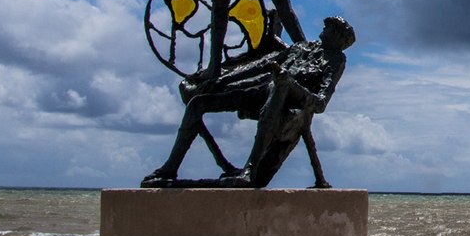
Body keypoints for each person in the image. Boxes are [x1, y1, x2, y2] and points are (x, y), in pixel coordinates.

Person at [142, 16, 356, 188]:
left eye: (331, 27)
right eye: (328, 25)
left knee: (276, 88)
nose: (324, 28)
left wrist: (290, 85)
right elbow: (260, 66)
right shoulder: (301, 48)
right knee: (198, 103)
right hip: (260, 91)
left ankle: (249, 170)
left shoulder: (336, 60)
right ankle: (169, 168)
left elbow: (320, 104)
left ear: (338, 37)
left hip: (289, 111)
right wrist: (220, 80)